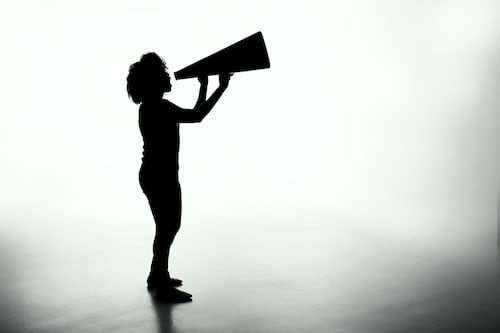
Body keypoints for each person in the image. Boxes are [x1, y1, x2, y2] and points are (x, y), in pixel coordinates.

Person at [126, 53, 231, 302]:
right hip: (160, 177)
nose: (168, 76)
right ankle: (160, 282)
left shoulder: (150, 107)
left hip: (153, 175)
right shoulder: (159, 107)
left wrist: (205, 86)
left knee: (166, 227)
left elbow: (194, 113)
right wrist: (221, 87)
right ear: (154, 82)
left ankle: (157, 275)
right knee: (168, 227)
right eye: (163, 73)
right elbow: (197, 116)